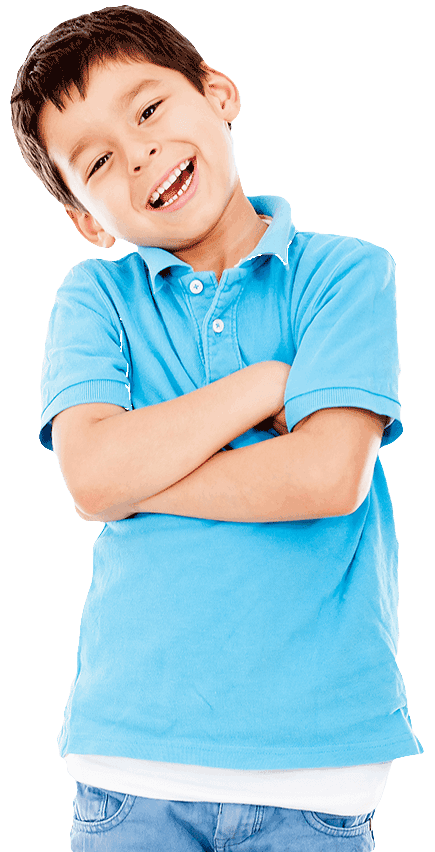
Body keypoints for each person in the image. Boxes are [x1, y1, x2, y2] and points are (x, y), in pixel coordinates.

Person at [11, 5, 422, 850]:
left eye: (150, 109)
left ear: (218, 93)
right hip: (132, 767)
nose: (140, 154)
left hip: (319, 767)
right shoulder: (96, 299)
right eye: (98, 161)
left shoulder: (345, 273)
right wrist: (263, 384)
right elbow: (90, 478)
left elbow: (324, 479)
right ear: (88, 219)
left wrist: (136, 475)